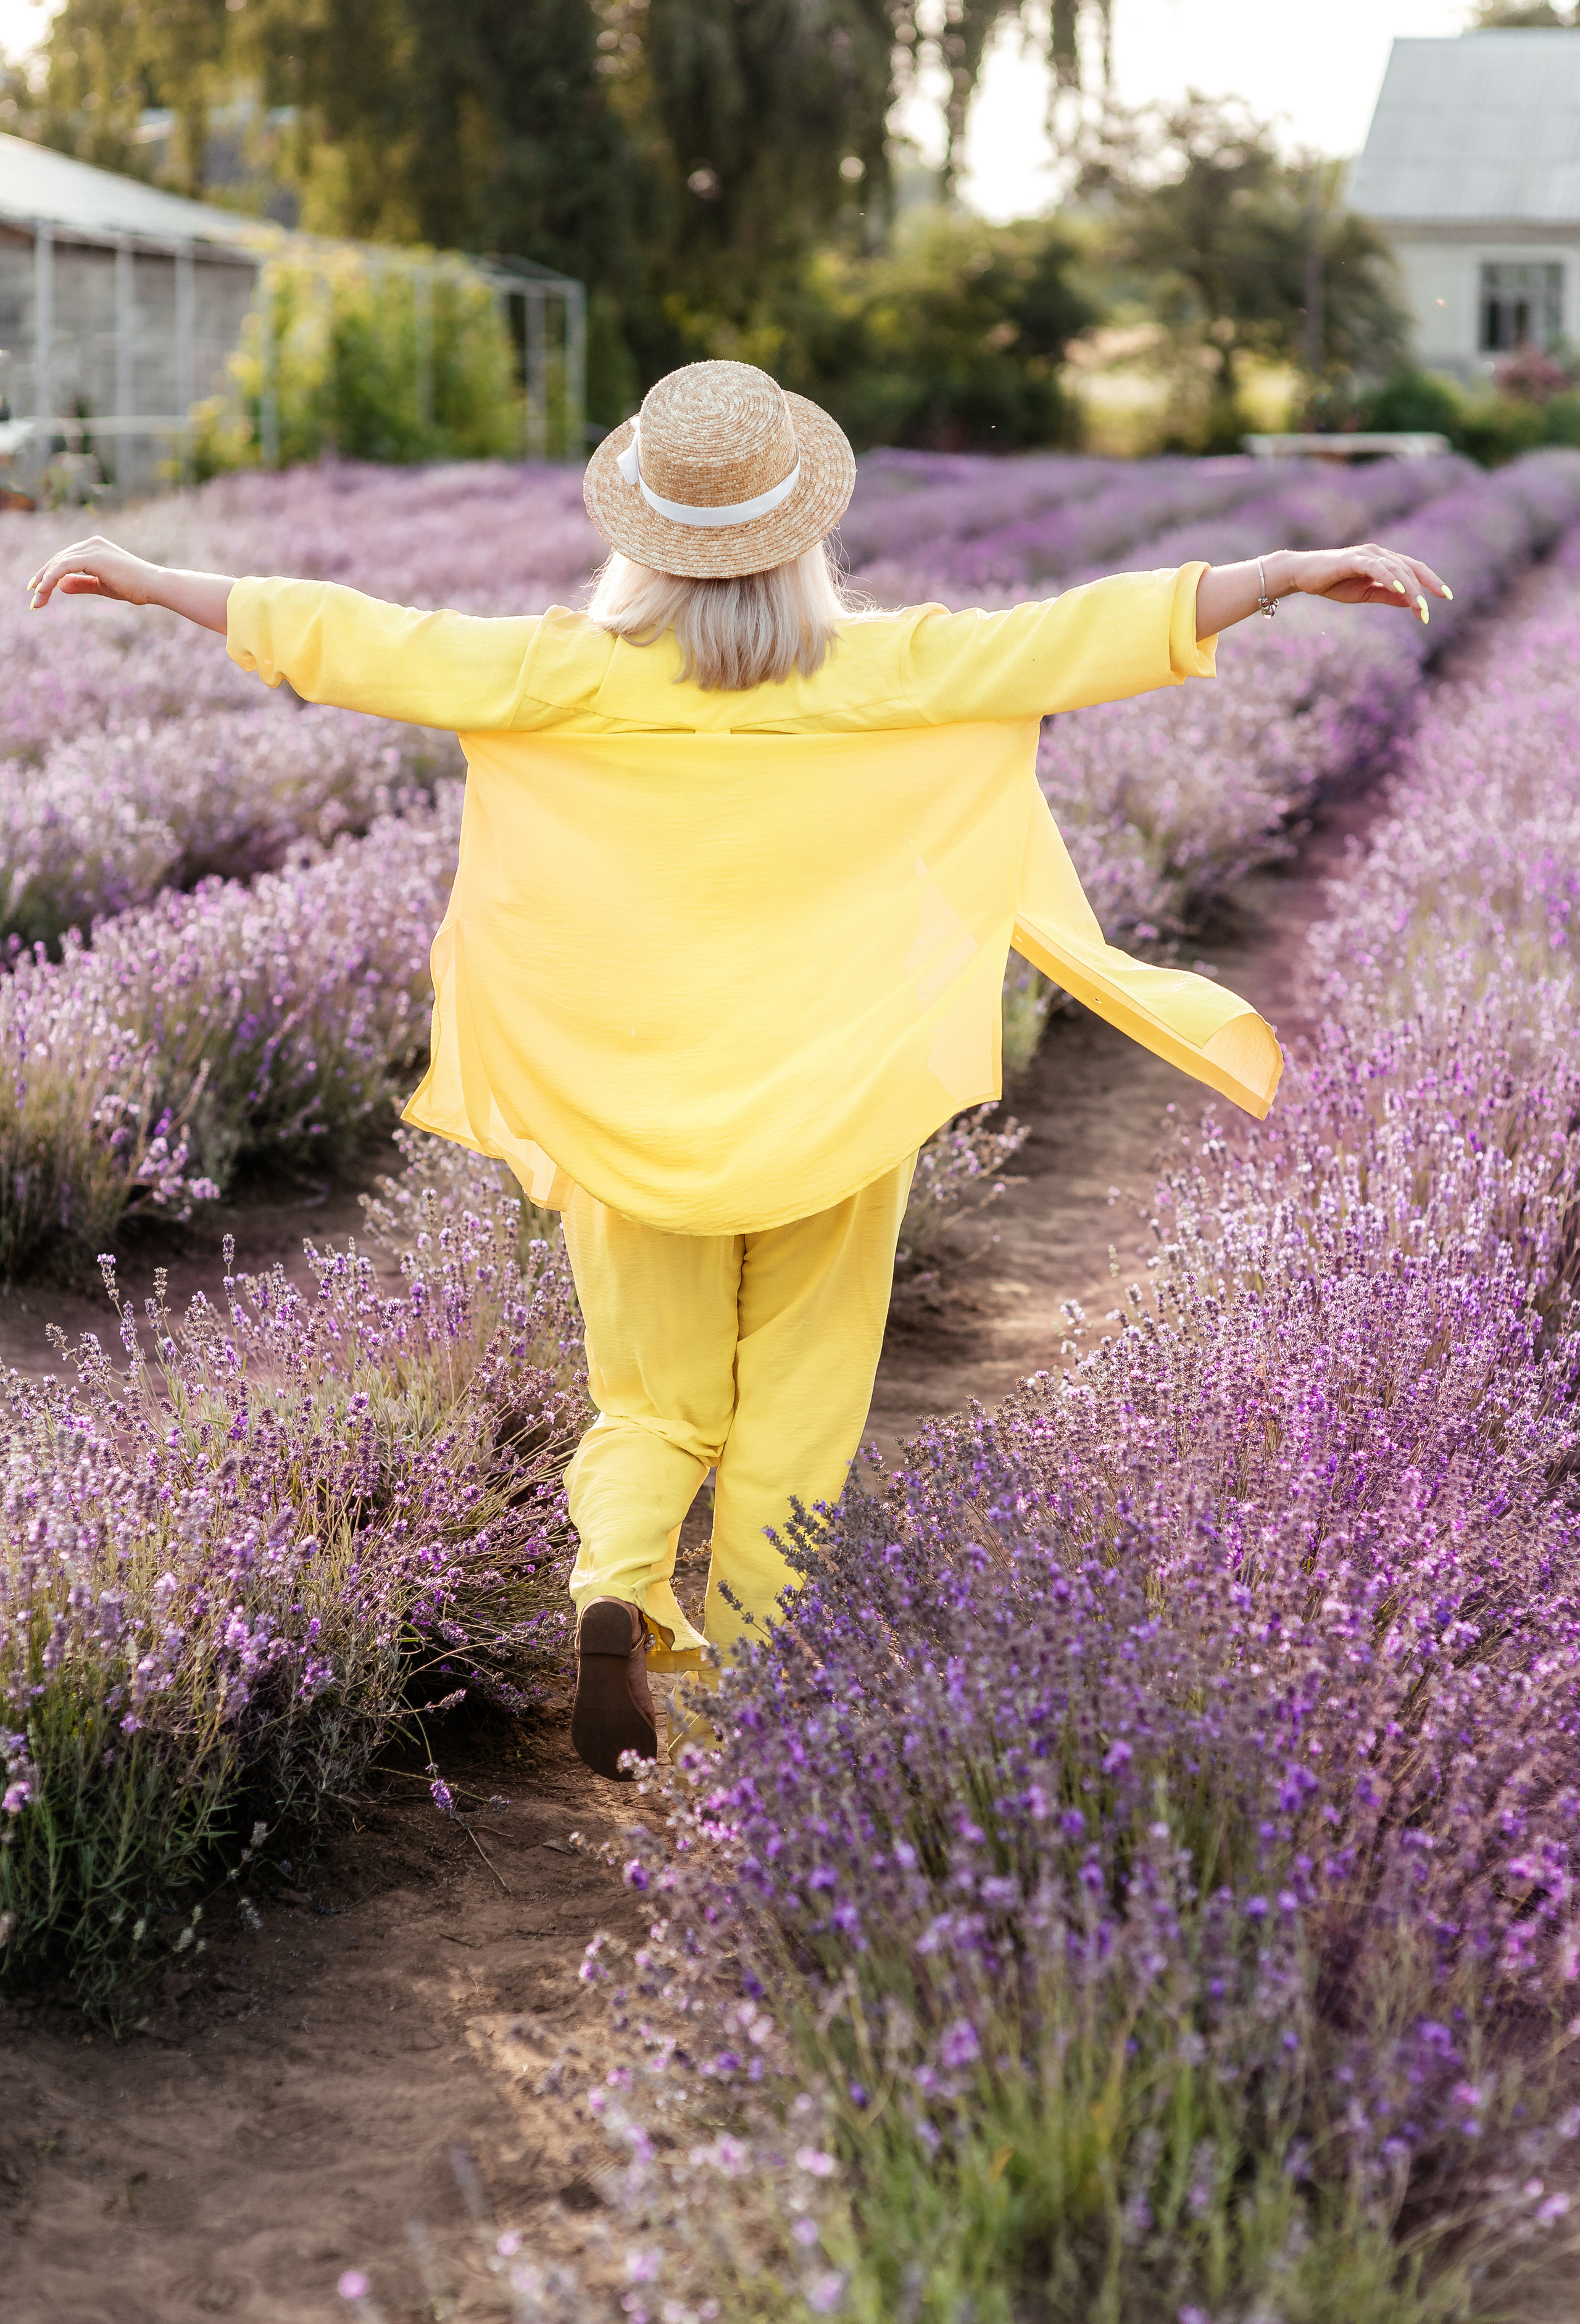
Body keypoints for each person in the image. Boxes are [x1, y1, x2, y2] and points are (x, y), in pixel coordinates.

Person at [26, 360, 1450, 1782]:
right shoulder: (886, 668)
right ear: (805, 532)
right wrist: (1284, 570)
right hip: (836, 1104)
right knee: (797, 1407)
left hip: (631, 1111)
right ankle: (762, 1708)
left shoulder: (560, 672)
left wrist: (155, 579)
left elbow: (360, 638)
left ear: (637, 534)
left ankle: (617, 1586)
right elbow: (1070, 638)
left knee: (652, 1400)